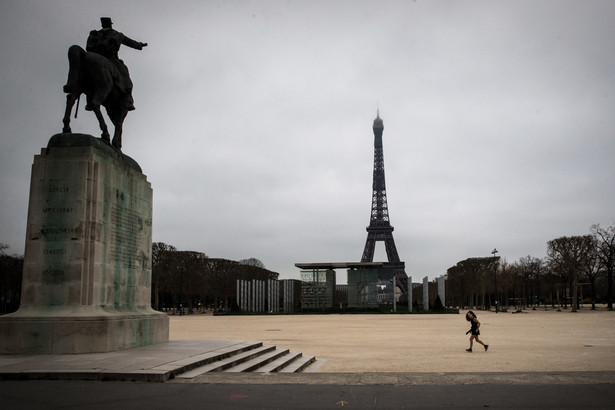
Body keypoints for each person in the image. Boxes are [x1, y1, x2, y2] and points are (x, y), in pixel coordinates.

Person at [86, 17, 147, 111]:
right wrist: (139, 45)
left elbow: (88, 47)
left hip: (92, 56)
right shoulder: (116, 34)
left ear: (102, 25)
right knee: (125, 74)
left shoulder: (94, 34)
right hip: (111, 58)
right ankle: (127, 98)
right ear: (110, 24)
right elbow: (129, 42)